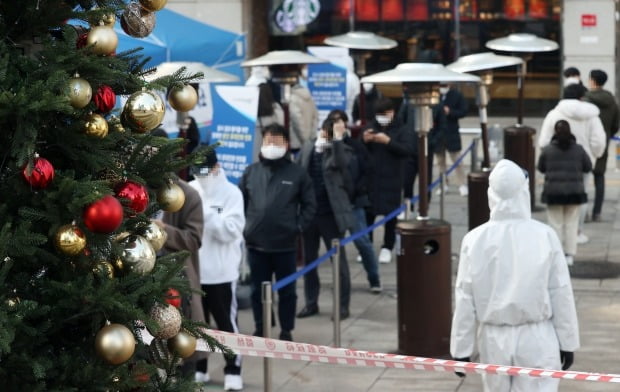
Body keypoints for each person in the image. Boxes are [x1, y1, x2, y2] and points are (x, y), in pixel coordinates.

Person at [451, 159, 580, 392]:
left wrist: (461, 350)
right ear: (524, 192)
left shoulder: (474, 240)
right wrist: (568, 340)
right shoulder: (544, 236)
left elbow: (464, 297)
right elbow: (560, 291)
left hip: (493, 338)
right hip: (537, 337)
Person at [239, 123, 316, 341]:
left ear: (286, 144)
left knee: (287, 292)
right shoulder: (251, 172)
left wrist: (298, 226)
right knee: (258, 292)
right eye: (268, 141)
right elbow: (240, 202)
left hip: (285, 245)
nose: (271, 145)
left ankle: (286, 329)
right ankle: (261, 325)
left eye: (276, 141)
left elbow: (310, 205)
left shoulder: (297, 173)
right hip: (256, 244)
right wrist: (246, 227)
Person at [190, 150, 245, 391]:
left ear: (216, 167)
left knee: (226, 324)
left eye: (205, 170)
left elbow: (232, 231)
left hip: (222, 273)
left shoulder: (232, 193)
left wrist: (207, 215)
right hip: (195, 272)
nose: (201, 176)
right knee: (198, 324)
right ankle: (199, 367)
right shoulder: (190, 190)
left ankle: (233, 369)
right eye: (196, 170)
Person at [296, 118, 355, 319]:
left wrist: (337, 139)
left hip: (331, 215)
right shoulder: (308, 147)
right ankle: (311, 302)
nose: (323, 135)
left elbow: (341, 164)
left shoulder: (341, 149)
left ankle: (343, 306)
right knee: (309, 261)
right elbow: (299, 172)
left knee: (339, 262)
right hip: (309, 214)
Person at [539, 83, 606, 244]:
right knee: (580, 198)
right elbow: (598, 141)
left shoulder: (554, 114)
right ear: (582, 97)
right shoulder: (591, 115)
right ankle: (577, 233)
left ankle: (556, 242)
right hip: (583, 161)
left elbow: (543, 141)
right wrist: (593, 155)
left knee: (555, 211)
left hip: (555, 164)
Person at [327, 109, 382, 293]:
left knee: (363, 243)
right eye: (334, 122)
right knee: (336, 246)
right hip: (335, 204)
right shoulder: (326, 147)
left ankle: (374, 278)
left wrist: (359, 190)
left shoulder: (356, 146)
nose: (338, 125)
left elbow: (366, 169)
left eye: (341, 121)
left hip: (355, 201)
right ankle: (341, 283)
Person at [363, 97, 414, 264]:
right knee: (368, 214)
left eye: (384, 114)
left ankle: (387, 246)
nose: (381, 118)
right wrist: (366, 140)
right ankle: (367, 246)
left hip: (392, 178)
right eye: (378, 114)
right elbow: (360, 149)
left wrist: (389, 142)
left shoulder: (402, 129)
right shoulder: (372, 126)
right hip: (372, 179)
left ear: (392, 113)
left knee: (391, 216)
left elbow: (407, 150)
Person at [537, 120, 592, 266]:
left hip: (553, 193)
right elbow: (588, 167)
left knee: (555, 224)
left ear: (555, 132)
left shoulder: (548, 150)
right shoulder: (579, 149)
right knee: (571, 224)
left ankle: (556, 252)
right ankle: (569, 254)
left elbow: (541, 167)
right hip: (574, 192)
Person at [584, 69, 620, 222]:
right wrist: (607, 134)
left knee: (583, 178)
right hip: (603, 142)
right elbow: (616, 124)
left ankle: (582, 213)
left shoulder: (585, 99)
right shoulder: (611, 100)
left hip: (585, 142)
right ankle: (597, 212)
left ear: (592, 81)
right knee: (599, 177)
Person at [434, 83, 469, 197]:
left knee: (457, 160)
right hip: (438, 132)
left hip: (451, 132)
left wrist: (450, 112)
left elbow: (463, 111)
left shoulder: (456, 95)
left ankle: (462, 184)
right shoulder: (434, 95)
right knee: (440, 161)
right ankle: (443, 184)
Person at [289, 72, 319, 154]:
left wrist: (304, 140)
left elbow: (297, 120)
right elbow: (315, 117)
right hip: (310, 142)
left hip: (296, 143)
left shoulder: (292, 98)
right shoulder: (309, 97)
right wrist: (312, 137)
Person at [253, 83, 284, 162]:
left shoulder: (251, 111)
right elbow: (282, 126)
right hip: (273, 146)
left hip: (255, 150)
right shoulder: (276, 110)